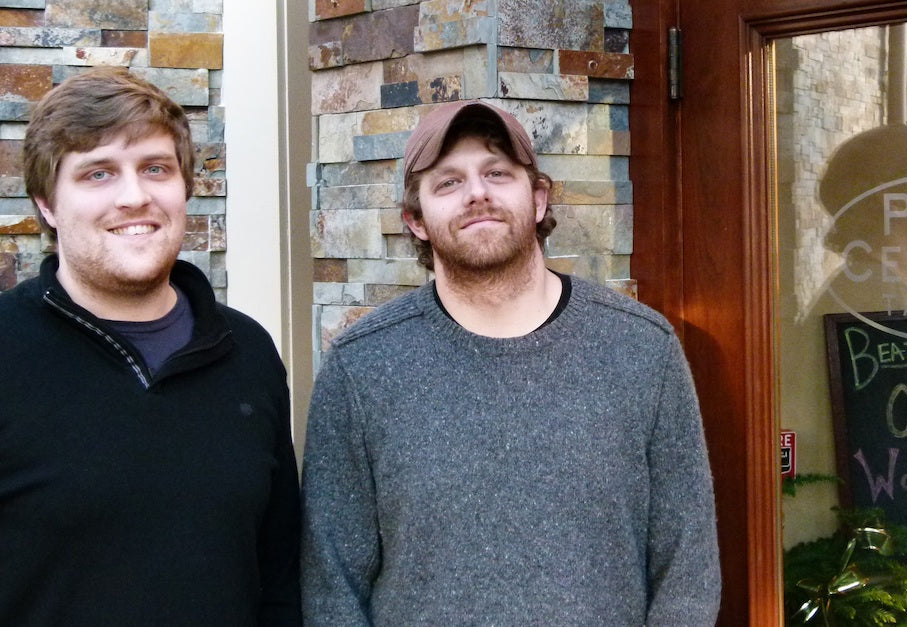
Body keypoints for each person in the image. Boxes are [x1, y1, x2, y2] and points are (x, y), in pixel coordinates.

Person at [301, 100, 721, 624]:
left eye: (497, 173)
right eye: (448, 182)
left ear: (539, 199)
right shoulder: (361, 367)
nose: (477, 193)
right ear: (416, 221)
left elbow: (688, 570)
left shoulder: (641, 348)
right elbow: (332, 586)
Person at [0, 67, 301, 625]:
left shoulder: (248, 352)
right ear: (46, 203)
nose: (134, 197)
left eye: (155, 169)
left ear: (185, 185)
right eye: (98, 174)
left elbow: (279, 576)